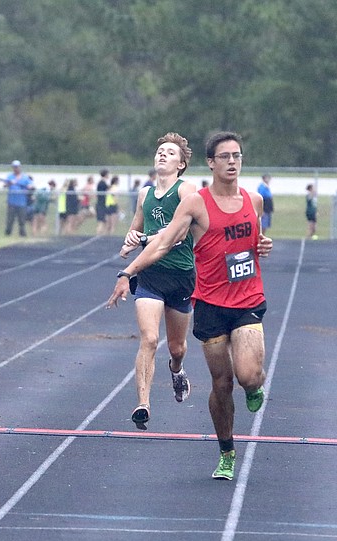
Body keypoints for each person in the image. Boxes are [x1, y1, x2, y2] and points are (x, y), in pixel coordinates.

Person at [108, 131, 273, 481]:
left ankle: (254, 386)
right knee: (221, 384)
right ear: (211, 163)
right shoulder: (196, 204)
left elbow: (253, 239)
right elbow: (162, 243)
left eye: (237, 156)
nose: (232, 161)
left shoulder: (254, 200)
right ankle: (226, 452)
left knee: (247, 375)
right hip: (210, 302)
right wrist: (128, 271)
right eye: (225, 156)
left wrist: (262, 245)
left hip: (247, 299)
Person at [113, 132, 200, 431]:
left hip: (180, 276)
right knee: (149, 339)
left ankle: (176, 369)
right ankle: (143, 404)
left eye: (170, 152)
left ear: (181, 164)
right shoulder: (144, 194)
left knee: (177, 347)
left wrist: (145, 240)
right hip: (151, 276)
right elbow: (135, 229)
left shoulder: (186, 191)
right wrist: (130, 240)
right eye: (160, 150)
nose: (163, 154)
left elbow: (179, 234)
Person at [0, 160, 32, 237]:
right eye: (14, 167)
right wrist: (10, 183)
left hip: (22, 202)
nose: (15, 169)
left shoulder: (25, 177)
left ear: (20, 167)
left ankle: (22, 234)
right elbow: (5, 185)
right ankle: (7, 234)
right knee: (10, 220)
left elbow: (31, 186)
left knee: (22, 220)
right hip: (11, 202)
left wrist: (28, 187)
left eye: (17, 167)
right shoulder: (10, 176)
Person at [95, 169, 110, 235]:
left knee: (105, 221)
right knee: (101, 222)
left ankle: (103, 235)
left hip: (103, 204)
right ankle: (98, 235)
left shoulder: (103, 183)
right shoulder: (102, 183)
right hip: (101, 204)